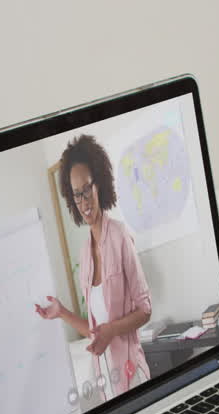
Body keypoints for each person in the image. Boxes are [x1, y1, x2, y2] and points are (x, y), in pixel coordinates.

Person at [36, 134, 152, 399]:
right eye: (77, 195)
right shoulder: (85, 255)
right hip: (107, 386)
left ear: (99, 185)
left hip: (132, 378)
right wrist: (62, 312)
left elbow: (145, 310)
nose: (85, 201)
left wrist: (111, 331)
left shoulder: (121, 236)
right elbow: (93, 331)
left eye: (87, 189)